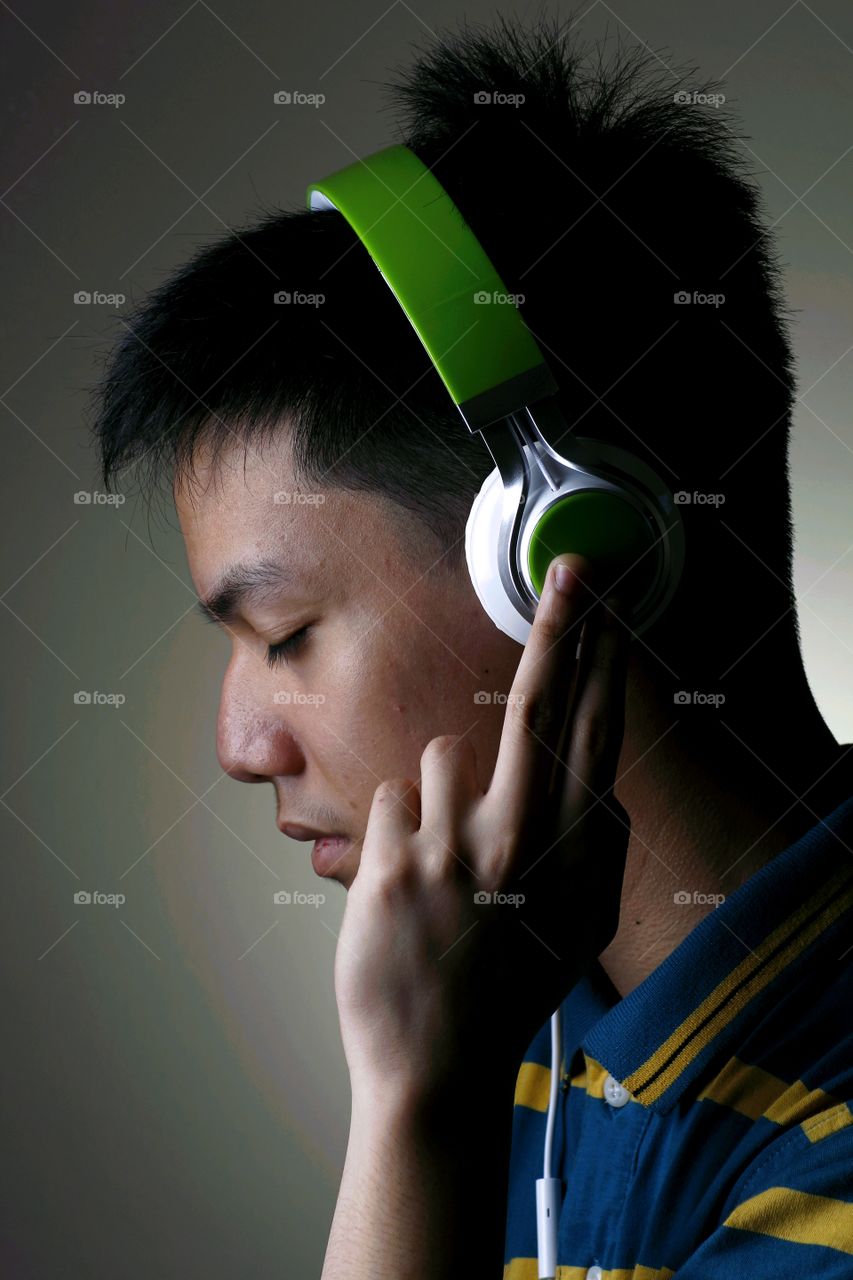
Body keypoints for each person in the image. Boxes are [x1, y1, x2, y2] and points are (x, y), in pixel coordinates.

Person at [89, 12, 853, 1277]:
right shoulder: (518, 1011)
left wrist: (416, 1110)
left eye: (283, 634)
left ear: (567, 557)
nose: (237, 744)